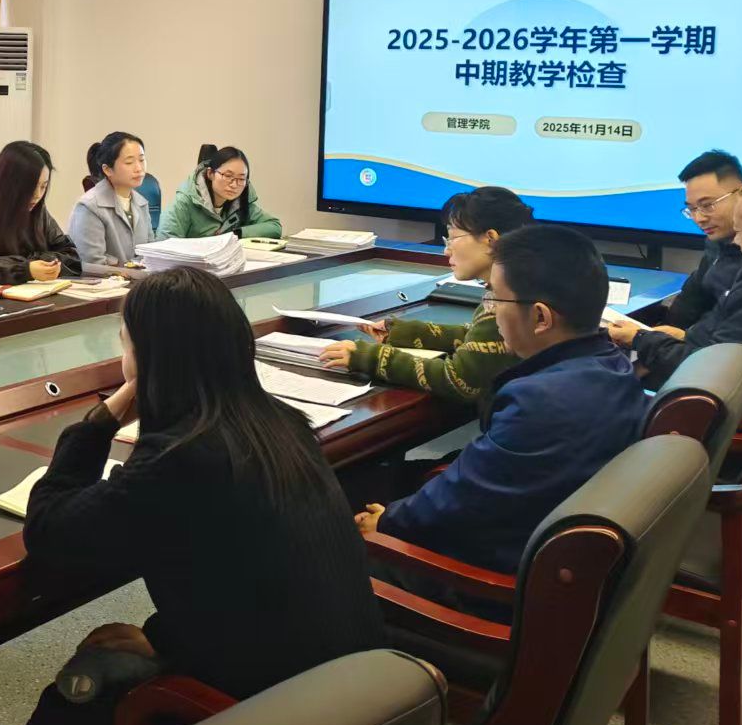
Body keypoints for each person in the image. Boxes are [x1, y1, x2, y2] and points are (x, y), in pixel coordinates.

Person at [0, 267, 381, 725]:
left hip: (277, 721)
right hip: (350, 690)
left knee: (94, 677)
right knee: (108, 662)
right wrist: (167, 639)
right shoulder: (279, 423)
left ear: (150, 359)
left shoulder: (183, 458)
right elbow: (254, 575)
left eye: (125, 341)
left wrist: (101, 417)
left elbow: (50, 530)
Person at [356, 226, 649, 574]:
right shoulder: (613, 365)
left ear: (540, 317)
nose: (491, 312)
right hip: (551, 544)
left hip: (486, 575)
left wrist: (388, 522)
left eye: (495, 299)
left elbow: (463, 496)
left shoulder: (538, 402)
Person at [321, 186, 532, 406]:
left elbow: (459, 380)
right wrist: (405, 332)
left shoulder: (506, 303)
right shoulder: (523, 285)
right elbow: (479, 338)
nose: (446, 251)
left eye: (453, 238)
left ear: (491, 239)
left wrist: (370, 357)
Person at [610, 182, 742, 412]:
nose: (737, 242)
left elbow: (710, 371)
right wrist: (684, 336)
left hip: (729, 410)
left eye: (740, 232)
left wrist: (640, 339)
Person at [0, 140, 81, 288]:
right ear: (9, 184)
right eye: (30, 187)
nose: (37, 195)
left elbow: (71, 257)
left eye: (43, 186)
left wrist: (40, 264)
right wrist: (25, 269)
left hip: (38, 297)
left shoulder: (38, 213)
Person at [666, 149, 742, 329]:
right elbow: (690, 302)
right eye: (692, 209)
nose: (699, 218)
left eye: (707, 205)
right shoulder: (716, 244)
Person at [68, 131, 156, 267]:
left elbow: (149, 255)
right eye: (129, 162)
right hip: (102, 280)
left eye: (141, 160)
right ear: (108, 169)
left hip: (138, 279)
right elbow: (92, 263)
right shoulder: (89, 206)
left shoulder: (141, 203)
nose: (139, 168)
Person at [159, 145, 282, 241]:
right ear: (210, 174)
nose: (234, 185)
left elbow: (274, 226)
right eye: (228, 176)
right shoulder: (184, 202)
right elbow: (163, 243)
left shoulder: (240, 203)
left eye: (241, 178)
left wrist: (237, 233)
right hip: (190, 265)